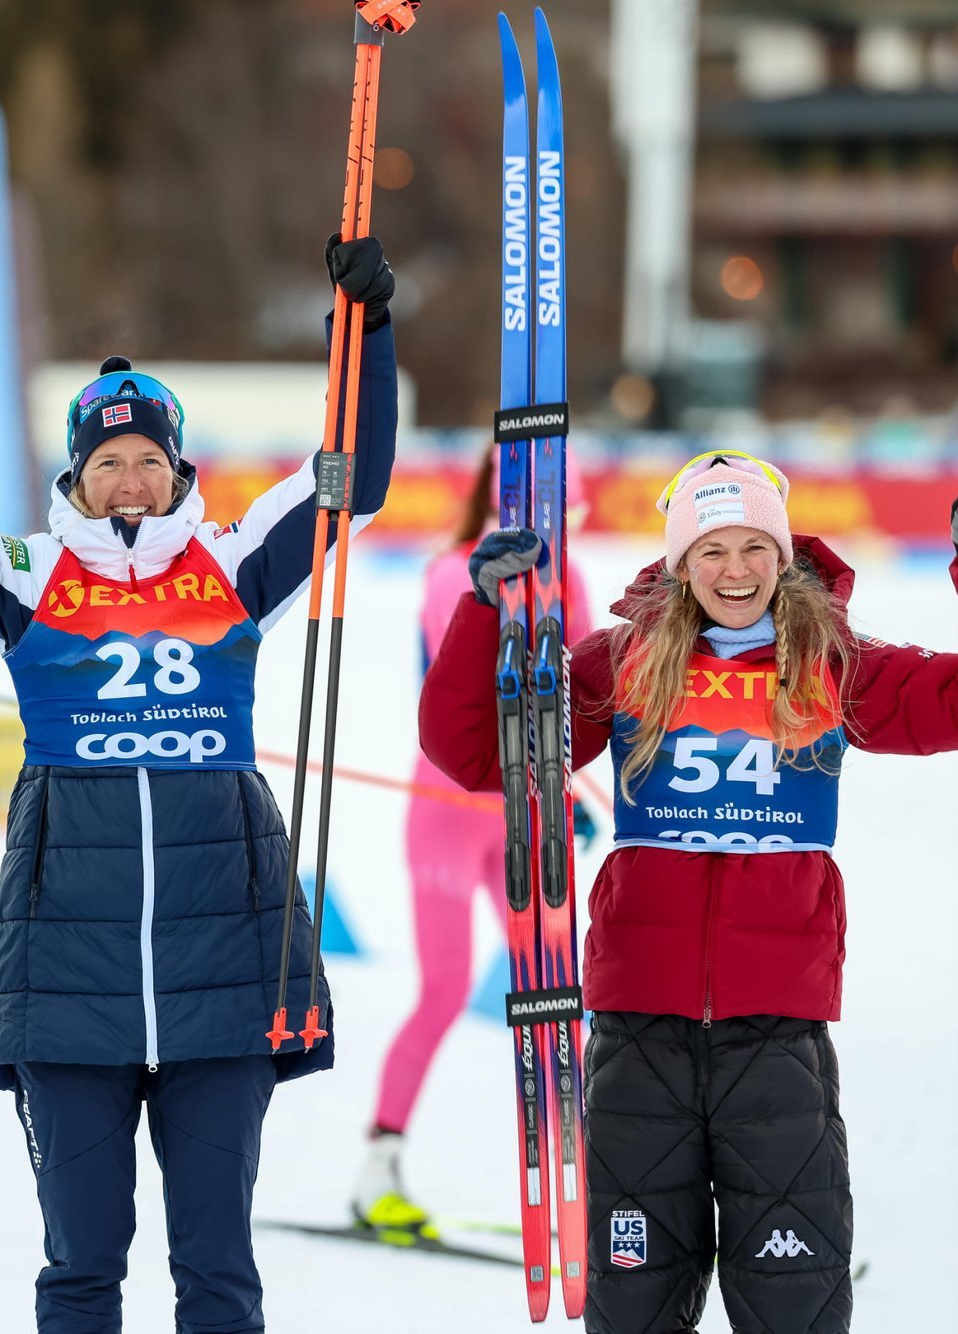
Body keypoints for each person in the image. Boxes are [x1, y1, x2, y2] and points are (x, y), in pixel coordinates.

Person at [0, 233, 397, 1334]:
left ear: (178, 471)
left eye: (147, 459)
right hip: (65, 979)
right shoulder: (30, 575)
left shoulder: (233, 562)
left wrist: (364, 331)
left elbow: (351, 477)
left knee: (217, 1267)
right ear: (75, 477)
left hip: (223, 968)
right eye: (107, 462)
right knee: (81, 1264)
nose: (129, 478)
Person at [417, 451, 958, 1333]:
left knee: (793, 1301)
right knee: (634, 1303)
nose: (736, 571)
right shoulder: (624, 662)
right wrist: (487, 612)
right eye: (711, 550)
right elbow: (476, 755)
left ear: (783, 555)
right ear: (681, 563)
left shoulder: (831, 664)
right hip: (639, 1032)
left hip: (777, 1033)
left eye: (756, 546)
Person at [349, 444, 590, 1237]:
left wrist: (577, 787)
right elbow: (464, 686)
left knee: (557, 997)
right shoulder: (453, 569)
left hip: (531, 807)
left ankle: (596, 1178)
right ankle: (377, 1169)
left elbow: (586, 694)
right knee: (445, 991)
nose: (561, 519)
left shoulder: (571, 575)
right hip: (450, 807)